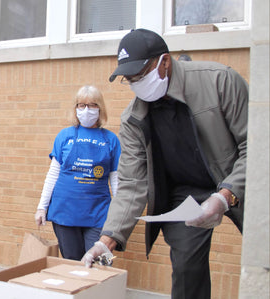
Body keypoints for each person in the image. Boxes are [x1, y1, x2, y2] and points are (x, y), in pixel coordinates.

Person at [82, 29, 247, 299]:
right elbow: (132, 185)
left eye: (141, 75)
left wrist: (226, 195)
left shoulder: (220, 81)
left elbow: (255, 146)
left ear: (165, 62)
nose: (136, 83)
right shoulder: (134, 119)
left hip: (235, 174)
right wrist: (106, 240)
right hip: (185, 193)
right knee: (185, 269)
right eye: (130, 79)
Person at [35, 85, 121, 261]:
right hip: (65, 212)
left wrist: (119, 216)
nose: (86, 110)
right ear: (75, 109)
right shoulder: (64, 136)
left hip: (98, 214)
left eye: (92, 105)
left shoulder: (110, 139)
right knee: (72, 263)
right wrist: (42, 206)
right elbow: (52, 175)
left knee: (98, 263)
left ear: (100, 108)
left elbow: (116, 179)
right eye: (81, 105)